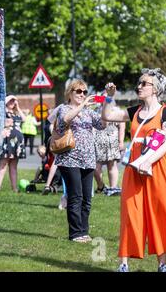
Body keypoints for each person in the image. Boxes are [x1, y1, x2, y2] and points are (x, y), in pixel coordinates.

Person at [102, 68, 166, 272]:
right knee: (130, 214)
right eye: (139, 83)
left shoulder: (165, 112)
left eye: (144, 83)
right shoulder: (134, 111)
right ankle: (124, 264)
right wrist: (109, 97)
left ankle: (162, 265)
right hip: (134, 170)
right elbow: (108, 115)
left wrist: (149, 161)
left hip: (158, 169)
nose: (139, 86)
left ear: (155, 89)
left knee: (160, 214)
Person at [54, 79, 105, 243]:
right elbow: (65, 120)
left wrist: (107, 102)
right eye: (78, 91)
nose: (82, 94)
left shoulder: (90, 112)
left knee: (86, 199)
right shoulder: (64, 108)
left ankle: (84, 231)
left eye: (84, 92)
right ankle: (75, 233)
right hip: (69, 159)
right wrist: (82, 106)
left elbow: (103, 124)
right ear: (70, 93)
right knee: (75, 196)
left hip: (88, 159)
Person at [0, 95, 26, 192]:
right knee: (3, 163)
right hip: (6, 141)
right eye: (11, 101)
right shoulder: (2, 111)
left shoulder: (16, 112)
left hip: (17, 142)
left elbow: (24, 119)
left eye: (14, 101)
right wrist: (5, 124)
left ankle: (14, 188)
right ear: (6, 102)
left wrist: (18, 107)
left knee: (13, 165)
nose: (12, 103)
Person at [93, 104, 125, 196]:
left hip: (113, 142)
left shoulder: (116, 110)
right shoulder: (96, 109)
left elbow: (121, 127)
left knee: (112, 166)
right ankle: (101, 186)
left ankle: (113, 188)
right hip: (97, 142)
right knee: (96, 167)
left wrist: (121, 142)